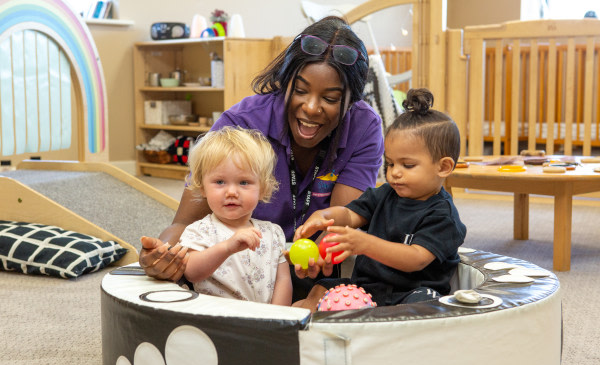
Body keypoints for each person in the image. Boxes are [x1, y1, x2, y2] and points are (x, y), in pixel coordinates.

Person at [140, 16, 385, 302]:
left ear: (351, 101)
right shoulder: (239, 123)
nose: (311, 107)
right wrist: (159, 256)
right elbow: (184, 223)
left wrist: (322, 262)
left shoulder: (364, 127)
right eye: (300, 90)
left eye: (330, 98)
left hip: (312, 266)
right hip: (237, 268)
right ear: (285, 83)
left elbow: (341, 221)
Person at [292, 88, 467, 311]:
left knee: (429, 303)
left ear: (443, 167)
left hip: (410, 293)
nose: (394, 172)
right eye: (391, 163)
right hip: (366, 288)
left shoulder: (443, 216)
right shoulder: (385, 194)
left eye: (408, 165)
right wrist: (323, 216)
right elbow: (348, 215)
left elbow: (415, 259)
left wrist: (365, 244)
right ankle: (296, 324)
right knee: (321, 288)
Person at [144, 126, 292, 306]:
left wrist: (279, 316)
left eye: (244, 182)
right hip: (219, 321)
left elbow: (283, 280)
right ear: (202, 187)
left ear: (263, 189)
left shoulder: (272, 232)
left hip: (266, 321)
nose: (231, 192)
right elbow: (191, 272)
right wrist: (228, 247)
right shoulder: (199, 231)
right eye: (220, 182)